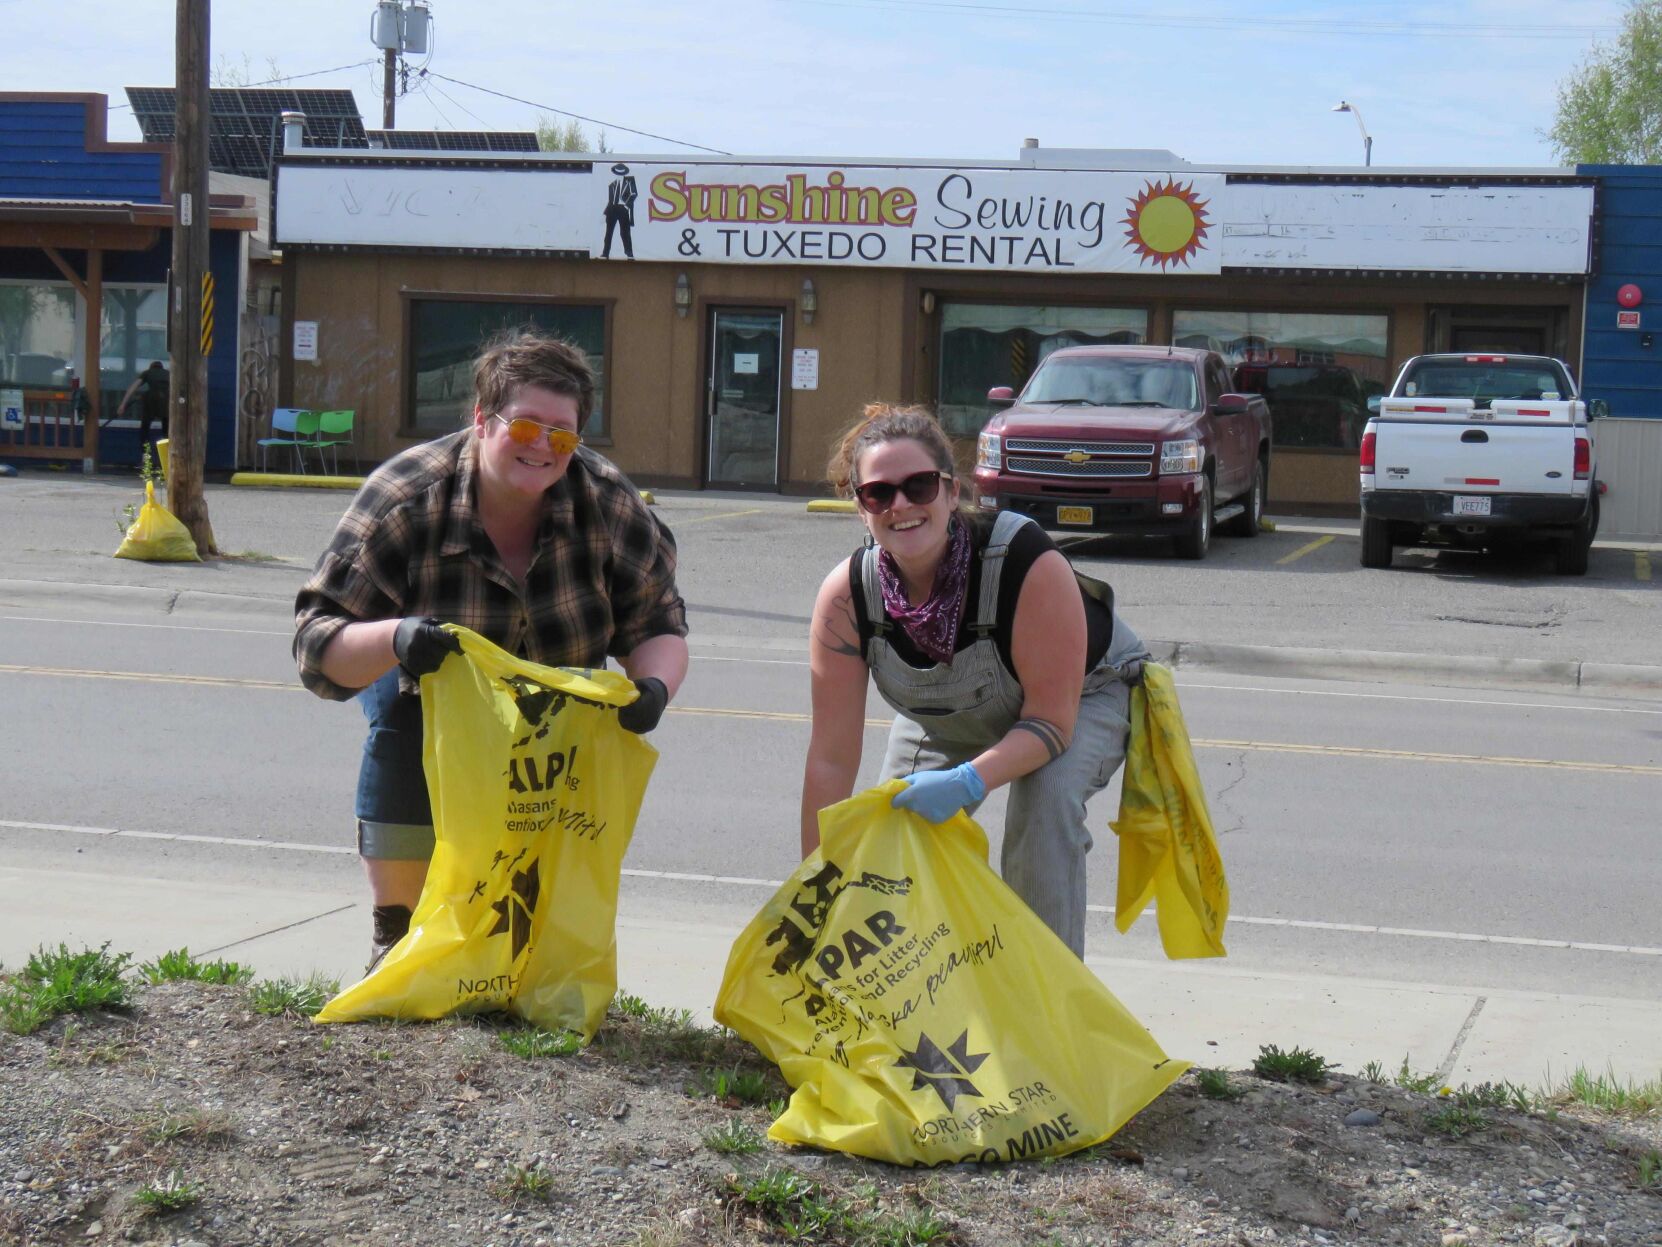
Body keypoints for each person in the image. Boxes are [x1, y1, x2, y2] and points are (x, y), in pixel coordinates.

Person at [294, 329, 689, 968]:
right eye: (526, 425)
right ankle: (394, 935)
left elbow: (658, 622)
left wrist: (654, 688)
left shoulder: (608, 502)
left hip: (552, 712)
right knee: (399, 725)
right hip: (425, 691)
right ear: (482, 418)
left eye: (562, 434)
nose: (544, 446)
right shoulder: (406, 498)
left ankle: (531, 948)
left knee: (534, 890)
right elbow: (317, 646)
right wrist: (397, 637)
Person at [800, 403, 1148, 958]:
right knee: (893, 835)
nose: (901, 506)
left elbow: (1050, 724)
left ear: (952, 490)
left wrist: (967, 782)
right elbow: (830, 760)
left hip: (1082, 697)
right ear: (860, 507)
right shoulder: (846, 598)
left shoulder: (1024, 561)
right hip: (947, 720)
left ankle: (1044, 1013)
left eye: (919, 486)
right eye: (879, 493)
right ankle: (924, 1004)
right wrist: (812, 892)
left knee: (1044, 806)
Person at [117, 360, 169, 458]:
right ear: (161, 367)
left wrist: (123, 405)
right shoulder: (168, 374)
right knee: (167, 431)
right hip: (166, 402)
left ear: (151, 367)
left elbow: (133, 387)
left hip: (151, 401)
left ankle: (146, 456)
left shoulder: (147, 373)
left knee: (145, 429)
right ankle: (167, 458)